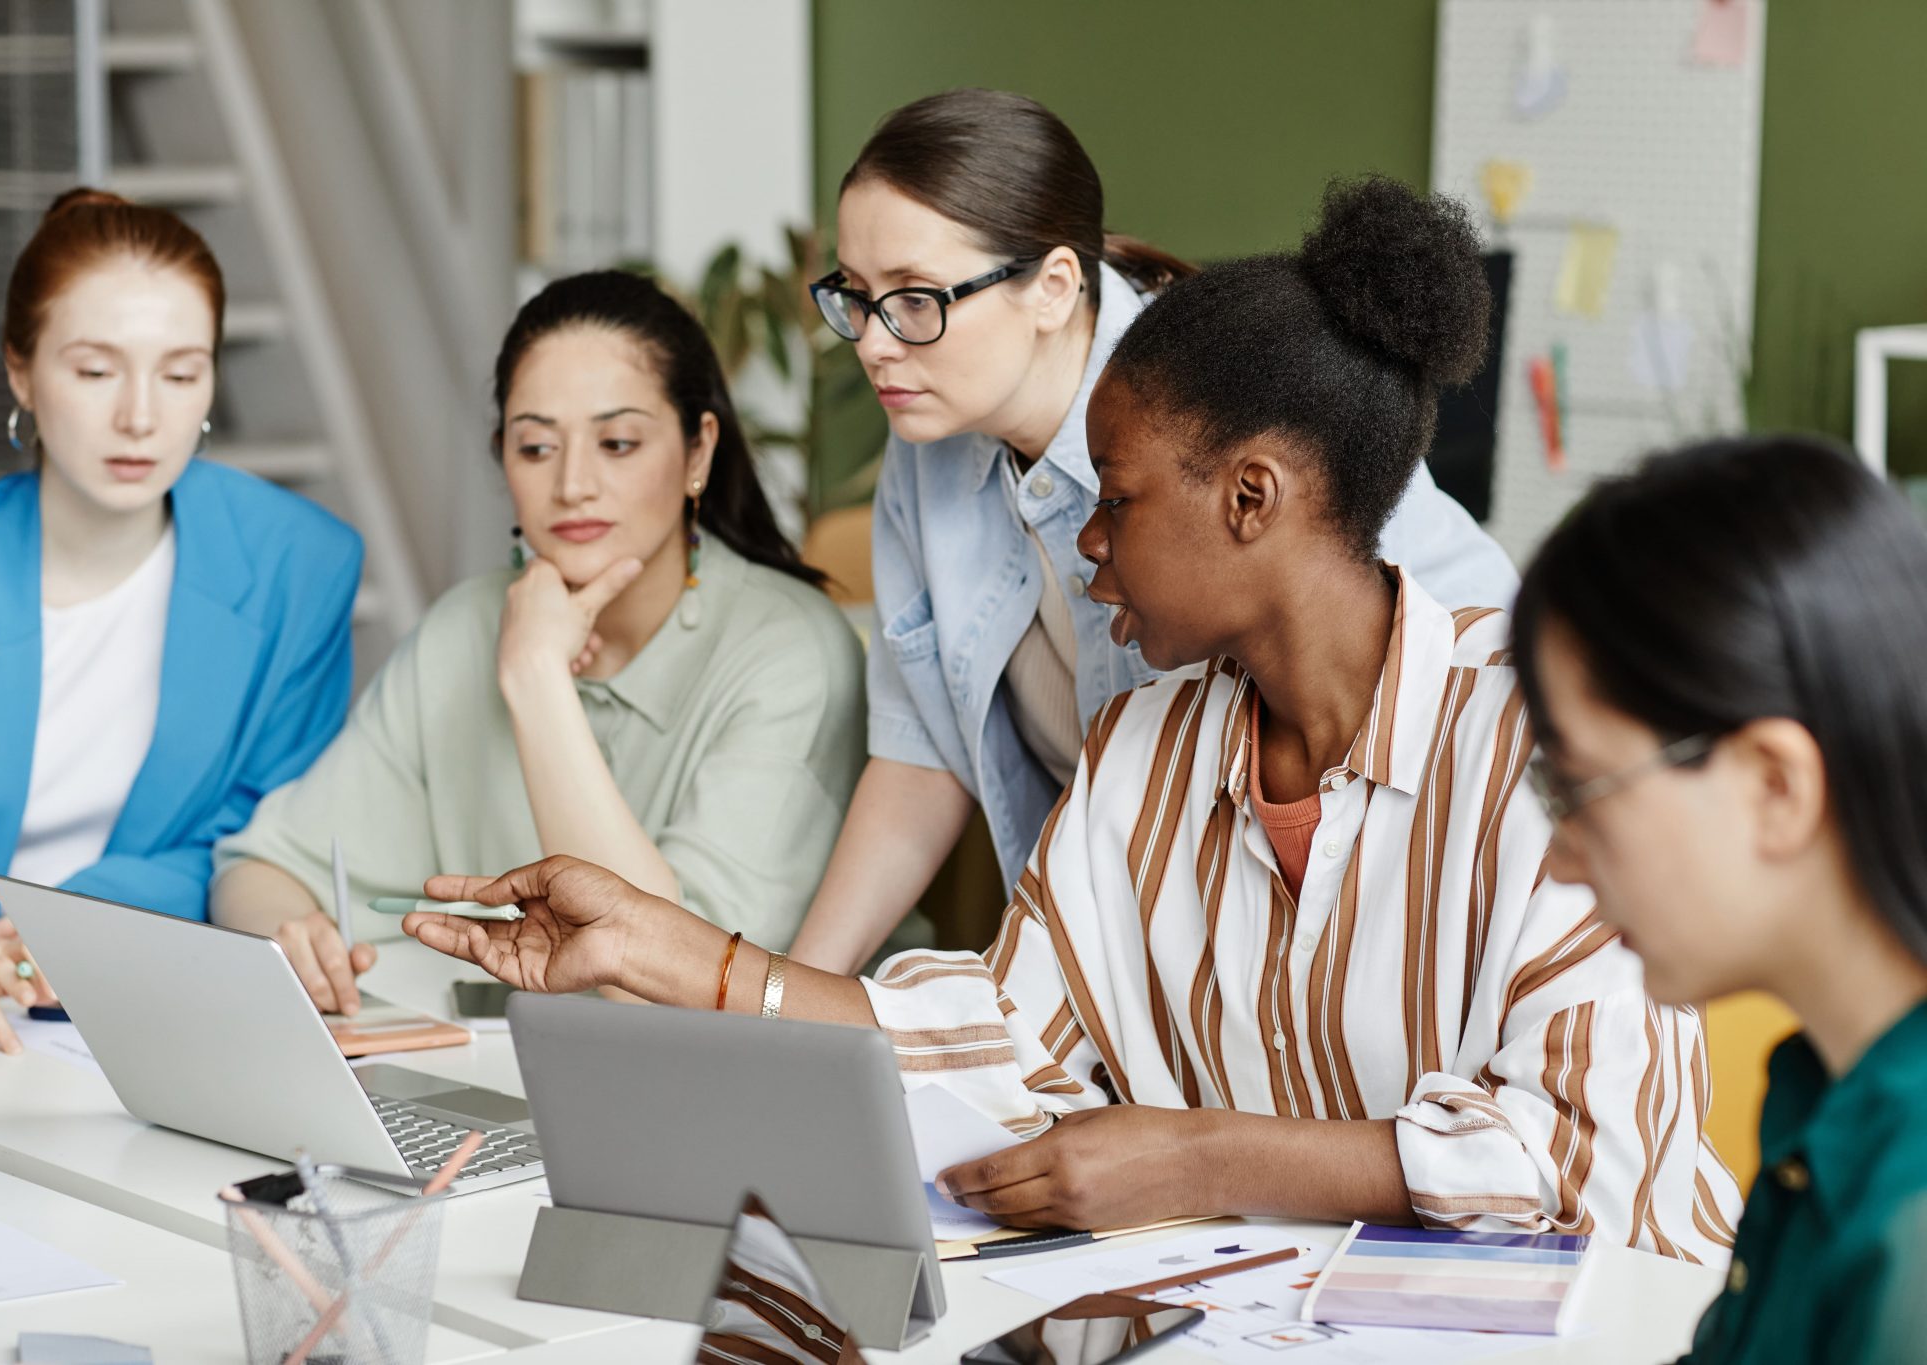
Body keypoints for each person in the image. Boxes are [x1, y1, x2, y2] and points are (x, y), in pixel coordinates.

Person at [399, 179, 1735, 1256]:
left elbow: (1577, 1155)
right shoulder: (1151, 747)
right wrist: (672, 955)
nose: (1082, 543)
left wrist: (1192, 1152)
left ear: (1252, 501)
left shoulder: (1556, 744)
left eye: (1119, 498)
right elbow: (1005, 1033)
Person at [790, 89, 1519, 974]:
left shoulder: (1224, 412)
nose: (872, 342)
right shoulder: (928, 439)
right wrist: (787, 1002)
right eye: (855, 297)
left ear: (1054, 286)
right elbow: (921, 758)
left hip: (1335, 916)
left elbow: (1470, 697)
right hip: (1124, 936)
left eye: (912, 299)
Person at [211, 270, 871, 1014]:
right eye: (534, 448)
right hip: (497, 1079)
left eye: (617, 442)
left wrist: (534, 676)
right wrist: (289, 939)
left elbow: (665, 996)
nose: (573, 484)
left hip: (744, 1097)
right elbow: (258, 865)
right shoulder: (464, 626)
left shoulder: (793, 655)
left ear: (697, 452)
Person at [0, 188, 363, 1054]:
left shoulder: (301, 566)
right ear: (20, 371)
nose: (142, 416)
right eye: (96, 370)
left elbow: (260, 826)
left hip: (168, 1009)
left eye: (181, 373)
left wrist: (75, 924)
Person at [1511, 436, 1927, 1363]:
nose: (1564, 864)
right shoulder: (1827, 1098)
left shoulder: (1910, 1217)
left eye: (1576, 792)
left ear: (1775, 785)